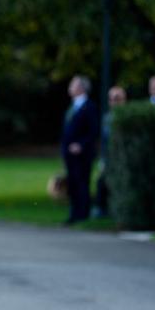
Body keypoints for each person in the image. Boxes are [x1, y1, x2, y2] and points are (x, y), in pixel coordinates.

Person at [60, 75, 100, 224]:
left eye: (73, 85)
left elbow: (93, 131)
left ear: (81, 88)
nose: (70, 87)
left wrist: (81, 145)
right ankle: (74, 213)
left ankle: (83, 214)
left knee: (82, 182)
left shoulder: (89, 107)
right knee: (72, 183)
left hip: (82, 154)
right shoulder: (72, 107)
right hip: (69, 153)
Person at [92, 85, 126, 218]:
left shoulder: (128, 117)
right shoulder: (107, 119)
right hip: (109, 159)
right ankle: (102, 210)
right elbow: (105, 143)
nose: (113, 102)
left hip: (123, 160)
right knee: (102, 182)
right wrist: (103, 160)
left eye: (117, 99)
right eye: (111, 99)